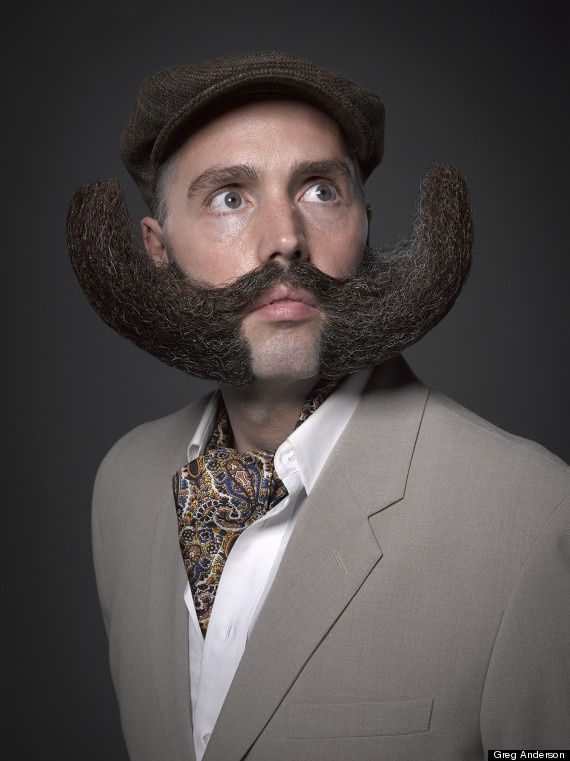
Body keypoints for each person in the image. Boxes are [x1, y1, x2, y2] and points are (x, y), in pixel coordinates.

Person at [67, 51, 569, 761]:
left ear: (365, 223)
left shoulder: (532, 515)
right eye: (229, 197)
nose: (285, 240)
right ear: (158, 249)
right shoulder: (121, 485)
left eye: (320, 191)